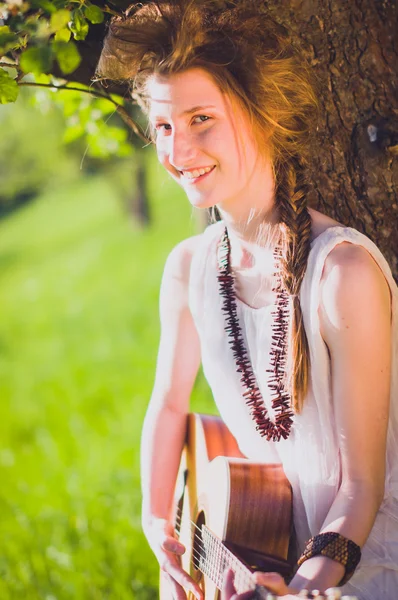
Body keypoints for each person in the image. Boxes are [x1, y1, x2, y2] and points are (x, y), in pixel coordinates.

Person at [96, 1, 398, 599]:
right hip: (268, 551)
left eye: (201, 118)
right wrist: (158, 524)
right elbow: (168, 405)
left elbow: (363, 488)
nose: (179, 153)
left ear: (261, 115)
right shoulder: (188, 269)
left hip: (363, 564)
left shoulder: (342, 274)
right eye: (163, 127)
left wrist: (309, 585)